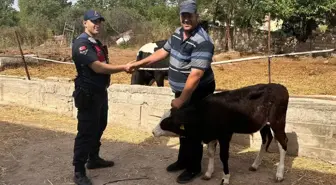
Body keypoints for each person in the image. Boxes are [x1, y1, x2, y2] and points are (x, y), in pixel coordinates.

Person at [129, 0, 216, 183]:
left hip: (197, 91)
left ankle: (193, 168)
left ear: (196, 17)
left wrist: (181, 99)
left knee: (193, 129)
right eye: (183, 15)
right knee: (181, 126)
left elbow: (196, 75)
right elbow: (162, 52)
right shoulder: (178, 33)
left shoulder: (203, 41)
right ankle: (182, 161)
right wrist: (138, 64)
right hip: (182, 90)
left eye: (189, 15)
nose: (186, 19)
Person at [71, 10, 132, 185]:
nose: (97, 24)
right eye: (93, 21)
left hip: (99, 92)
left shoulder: (95, 42)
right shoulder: (81, 44)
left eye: (99, 21)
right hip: (88, 94)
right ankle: (78, 170)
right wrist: (123, 67)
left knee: (99, 125)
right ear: (85, 23)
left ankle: (93, 158)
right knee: (86, 131)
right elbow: (98, 67)